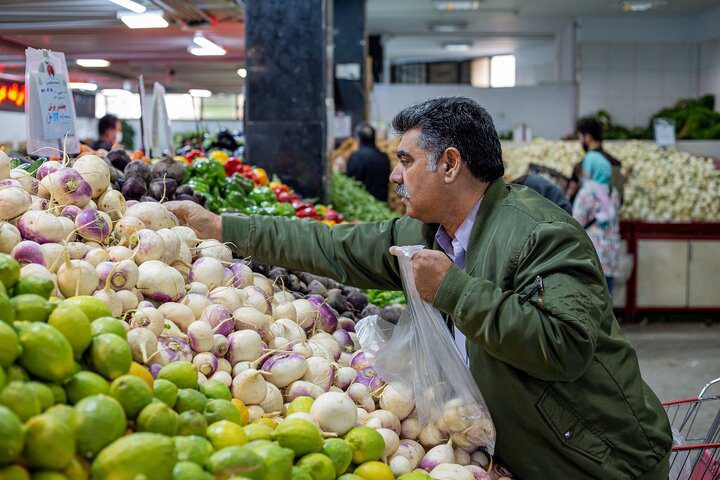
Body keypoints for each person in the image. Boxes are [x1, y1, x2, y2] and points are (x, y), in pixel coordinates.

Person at [166, 97, 671, 480]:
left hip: (599, 459)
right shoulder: (429, 233)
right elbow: (333, 247)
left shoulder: (541, 233)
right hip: (526, 454)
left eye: (406, 161)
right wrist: (221, 228)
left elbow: (564, 345)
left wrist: (451, 290)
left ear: (450, 164)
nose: (394, 176)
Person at [572, 153, 622, 296]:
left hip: (591, 255)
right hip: (611, 254)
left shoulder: (586, 193)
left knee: (590, 301)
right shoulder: (614, 192)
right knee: (607, 298)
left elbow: (576, 225)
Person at [567, 117, 624, 203]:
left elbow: (570, 194)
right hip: (610, 211)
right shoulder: (615, 163)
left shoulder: (581, 166)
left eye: (580, 137)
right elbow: (619, 194)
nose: (580, 141)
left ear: (588, 137)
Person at [345, 123, 391, 202]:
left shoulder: (357, 156)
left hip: (363, 204)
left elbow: (351, 183)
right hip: (382, 205)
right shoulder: (384, 156)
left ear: (358, 139)